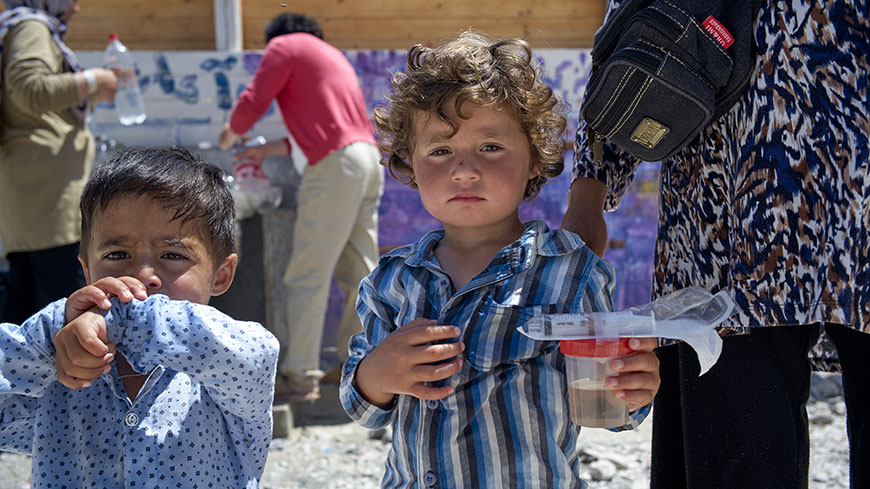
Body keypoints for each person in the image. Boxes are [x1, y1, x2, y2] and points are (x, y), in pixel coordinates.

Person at [564, 1, 869, 487]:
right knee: (733, 464)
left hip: (842, 220)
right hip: (726, 230)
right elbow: (632, 37)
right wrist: (590, 191)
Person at [339, 30, 661, 488]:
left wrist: (633, 387)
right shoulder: (392, 281)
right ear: (409, 162)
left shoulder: (571, 272)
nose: (464, 169)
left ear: (534, 158)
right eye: (440, 150)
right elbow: (362, 407)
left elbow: (612, 409)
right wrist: (377, 371)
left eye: (490, 147)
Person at [0, 147, 280, 488]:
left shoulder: (223, 365)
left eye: (172, 255)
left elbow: (260, 353)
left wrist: (122, 318)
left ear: (221, 275)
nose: (143, 275)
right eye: (118, 254)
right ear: (87, 271)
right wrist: (54, 333)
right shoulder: (56, 371)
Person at [218, 12, 383, 401]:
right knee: (360, 272)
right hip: (367, 160)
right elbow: (325, 133)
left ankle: (300, 376)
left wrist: (229, 136)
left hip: (335, 167)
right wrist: (266, 148)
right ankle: (357, 364)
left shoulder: (284, 45)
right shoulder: (331, 56)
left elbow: (253, 100)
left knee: (306, 275)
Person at [0, 0, 118, 324]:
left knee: (24, 305)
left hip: (32, 191)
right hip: (47, 196)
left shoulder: (20, 26)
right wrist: (93, 81)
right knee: (67, 306)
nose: (76, 9)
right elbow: (30, 89)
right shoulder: (31, 27)